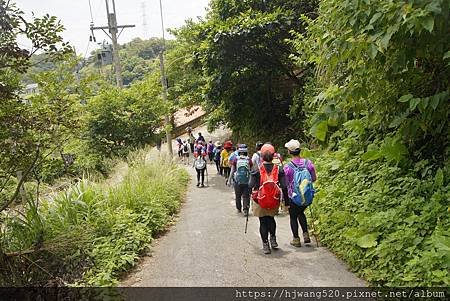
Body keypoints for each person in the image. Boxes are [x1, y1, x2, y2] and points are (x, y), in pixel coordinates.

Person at [250, 143, 289, 254]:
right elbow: (284, 186)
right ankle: (273, 239)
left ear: (261, 156)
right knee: (271, 219)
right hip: (274, 199)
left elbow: (250, 185)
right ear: (273, 155)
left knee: (263, 221)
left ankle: (265, 244)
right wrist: (286, 202)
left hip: (260, 199)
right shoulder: (278, 169)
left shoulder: (257, 169)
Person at [283, 139, 317, 247]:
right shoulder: (308, 163)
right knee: (301, 213)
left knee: (293, 216)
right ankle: (306, 234)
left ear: (289, 152)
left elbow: (286, 183)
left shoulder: (288, 167)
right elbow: (314, 179)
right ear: (299, 151)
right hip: (306, 196)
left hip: (294, 197)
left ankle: (296, 239)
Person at [230, 144, 253, 216]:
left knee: (238, 195)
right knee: (246, 195)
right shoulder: (249, 159)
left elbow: (233, 170)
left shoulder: (236, 159)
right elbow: (251, 171)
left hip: (237, 181)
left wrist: (229, 179)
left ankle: (239, 208)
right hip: (247, 181)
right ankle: (246, 209)